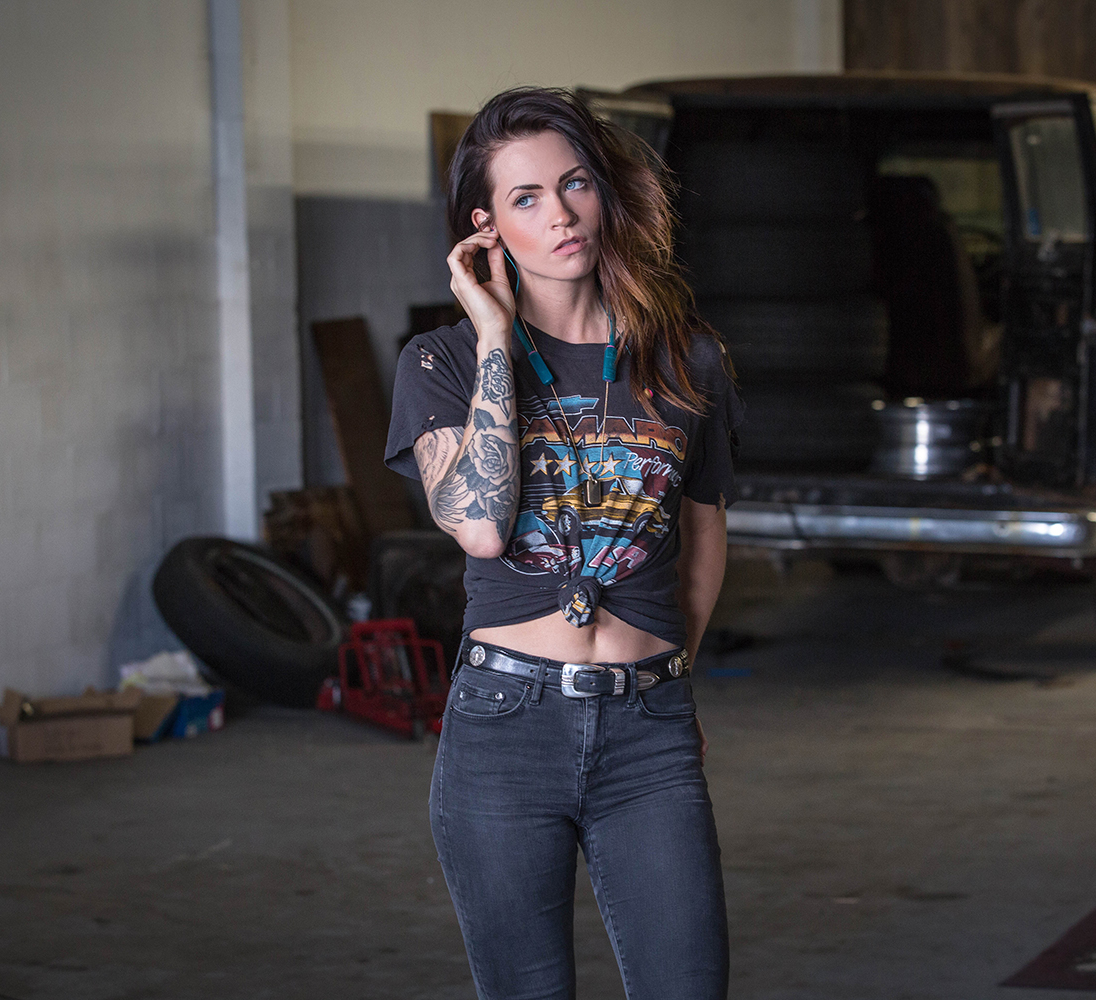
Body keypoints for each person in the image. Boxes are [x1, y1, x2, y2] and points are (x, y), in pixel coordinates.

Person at [384, 86, 742, 1000]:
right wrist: (494, 336)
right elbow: (480, 525)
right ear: (487, 227)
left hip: (650, 730)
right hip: (505, 728)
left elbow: (703, 539)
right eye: (527, 197)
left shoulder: (687, 358)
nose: (562, 213)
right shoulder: (440, 362)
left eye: (575, 183)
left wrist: (671, 675)